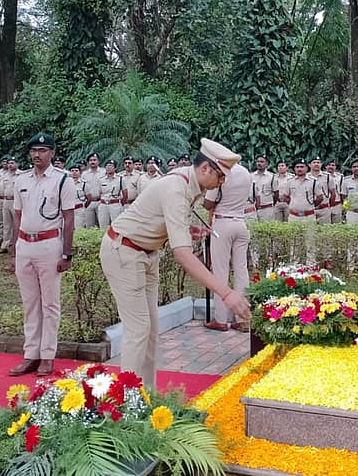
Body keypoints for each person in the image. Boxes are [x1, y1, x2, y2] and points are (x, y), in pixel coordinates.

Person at [100, 138, 252, 387]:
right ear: (206, 169)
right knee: (138, 330)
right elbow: (183, 255)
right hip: (123, 252)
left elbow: (165, 217)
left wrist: (184, 228)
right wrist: (226, 293)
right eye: (221, 177)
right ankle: (126, 403)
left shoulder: (190, 183)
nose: (221, 183)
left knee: (150, 332)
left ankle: (145, 396)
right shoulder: (177, 187)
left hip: (145, 253)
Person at [7, 132, 76, 377]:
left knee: (50, 304)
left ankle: (47, 355)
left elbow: (69, 218)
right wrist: (14, 249)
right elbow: (17, 216)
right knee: (30, 303)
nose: (37, 155)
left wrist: (66, 254)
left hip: (49, 245)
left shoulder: (62, 180)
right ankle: (31, 355)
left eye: (43, 150)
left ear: (53, 153)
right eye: (34, 150)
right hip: (25, 244)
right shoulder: (21, 179)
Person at [203, 161, 252, 332]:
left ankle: (221, 319)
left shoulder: (220, 172)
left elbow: (208, 203)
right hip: (240, 222)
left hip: (223, 223)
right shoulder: (246, 172)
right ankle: (243, 318)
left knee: (220, 272)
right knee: (241, 271)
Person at [282, 158, 321, 223]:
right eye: (297, 167)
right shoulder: (290, 181)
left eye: (302, 167)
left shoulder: (314, 181)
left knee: (310, 233)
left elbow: (320, 198)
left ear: (306, 168)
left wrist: (310, 204)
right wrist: (293, 204)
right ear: (294, 169)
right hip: (293, 217)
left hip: (309, 216)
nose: (299, 169)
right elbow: (285, 197)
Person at [0, 157, 19, 253]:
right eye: (9, 163)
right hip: (6, 200)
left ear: (17, 164)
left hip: (16, 201)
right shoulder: (4, 175)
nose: (10, 165)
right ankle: (5, 245)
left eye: (12, 163)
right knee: (6, 224)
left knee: (17, 224)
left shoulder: (20, 175)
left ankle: (17, 244)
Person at [97, 159, 125, 229]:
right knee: (103, 226)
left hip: (115, 204)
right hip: (103, 205)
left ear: (115, 168)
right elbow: (100, 192)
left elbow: (125, 194)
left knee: (116, 226)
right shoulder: (101, 179)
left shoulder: (120, 179)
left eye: (111, 166)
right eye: (107, 166)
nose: (109, 168)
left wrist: (120, 203)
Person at [81, 153, 104, 227]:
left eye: (94, 160)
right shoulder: (84, 174)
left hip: (101, 202)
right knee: (89, 226)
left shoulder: (104, 172)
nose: (92, 162)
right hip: (89, 203)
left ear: (98, 161)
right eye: (90, 160)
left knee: (103, 225)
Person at [252, 156, 276, 222]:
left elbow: (276, 193)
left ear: (266, 164)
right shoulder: (251, 176)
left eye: (262, 162)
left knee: (267, 230)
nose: (259, 163)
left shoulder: (272, 177)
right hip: (253, 210)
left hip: (267, 209)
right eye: (258, 161)